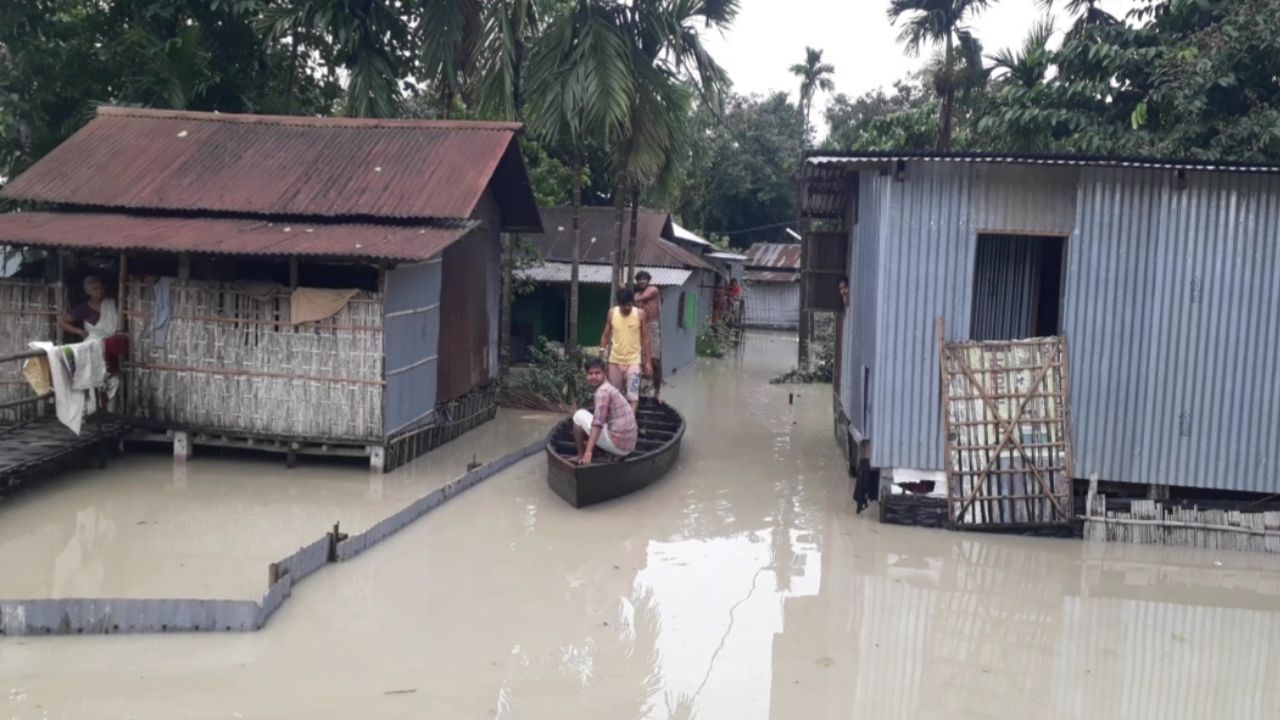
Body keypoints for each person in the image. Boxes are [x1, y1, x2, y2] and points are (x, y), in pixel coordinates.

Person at [572, 357, 638, 464]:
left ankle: (580, 455)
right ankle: (596, 449)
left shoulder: (602, 392)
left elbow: (597, 424)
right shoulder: (609, 388)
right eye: (590, 373)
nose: (593, 377)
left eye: (597, 373)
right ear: (586, 375)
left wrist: (588, 453)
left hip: (619, 446)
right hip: (629, 445)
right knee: (593, 419)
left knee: (578, 415)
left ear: (605, 372)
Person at [599, 287, 650, 414]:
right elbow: (606, 334)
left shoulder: (639, 314)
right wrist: (601, 353)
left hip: (634, 361)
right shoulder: (612, 313)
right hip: (615, 361)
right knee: (614, 394)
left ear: (632, 303)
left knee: (633, 395)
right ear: (618, 303)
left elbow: (645, 338)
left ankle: (630, 423)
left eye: (629, 304)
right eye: (623, 305)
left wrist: (647, 360)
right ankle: (616, 421)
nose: (626, 308)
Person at [630, 271, 664, 403]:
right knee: (637, 363)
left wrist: (627, 293)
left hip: (652, 326)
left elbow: (636, 299)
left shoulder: (653, 290)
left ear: (649, 280)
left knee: (655, 361)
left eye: (644, 279)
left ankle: (657, 392)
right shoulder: (636, 294)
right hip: (639, 328)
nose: (642, 281)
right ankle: (635, 392)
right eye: (639, 280)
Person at [59, 275, 118, 341]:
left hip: (114, 342)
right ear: (88, 291)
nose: (99, 291)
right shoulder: (84, 308)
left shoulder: (111, 303)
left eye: (101, 288)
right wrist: (80, 331)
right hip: (93, 343)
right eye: (95, 289)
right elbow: (61, 321)